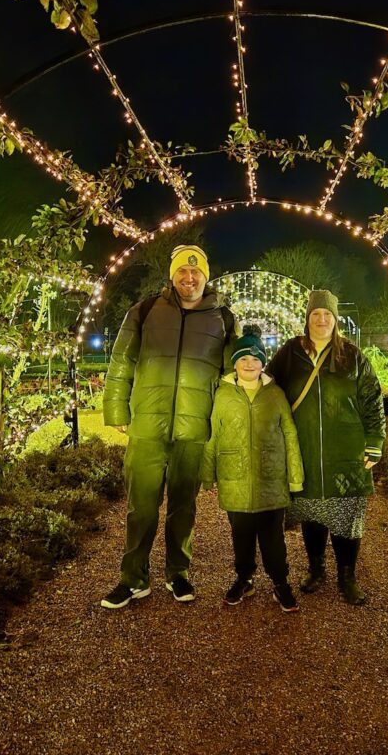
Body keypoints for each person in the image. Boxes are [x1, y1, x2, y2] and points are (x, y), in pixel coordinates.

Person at [100, 244, 236, 609]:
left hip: (194, 429)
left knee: (183, 507)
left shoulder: (223, 317)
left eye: (196, 273)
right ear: (172, 275)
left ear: (205, 276)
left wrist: (222, 425)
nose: (188, 278)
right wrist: (117, 410)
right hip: (147, 424)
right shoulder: (144, 311)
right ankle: (133, 579)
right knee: (141, 505)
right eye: (182, 272)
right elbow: (121, 361)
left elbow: (231, 375)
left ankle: (178, 573)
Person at [266, 290, 385, 605]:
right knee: (313, 511)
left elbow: (372, 399)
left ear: (335, 320)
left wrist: (375, 442)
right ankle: (317, 569)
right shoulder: (290, 352)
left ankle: (348, 576)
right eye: (315, 314)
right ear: (307, 319)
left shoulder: (352, 356)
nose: (321, 320)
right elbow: (268, 385)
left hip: (346, 449)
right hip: (305, 447)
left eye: (327, 315)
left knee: (346, 514)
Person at [201, 325, 304, 613]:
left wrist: (295, 477)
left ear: (263, 363)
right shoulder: (222, 395)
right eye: (244, 359)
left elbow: (291, 435)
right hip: (235, 479)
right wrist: (207, 473)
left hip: (271, 479)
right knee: (241, 534)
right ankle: (244, 577)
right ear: (235, 363)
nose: (250, 364)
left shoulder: (275, 394)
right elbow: (213, 434)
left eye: (256, 359)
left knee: (273, 537)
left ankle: (280, 581)